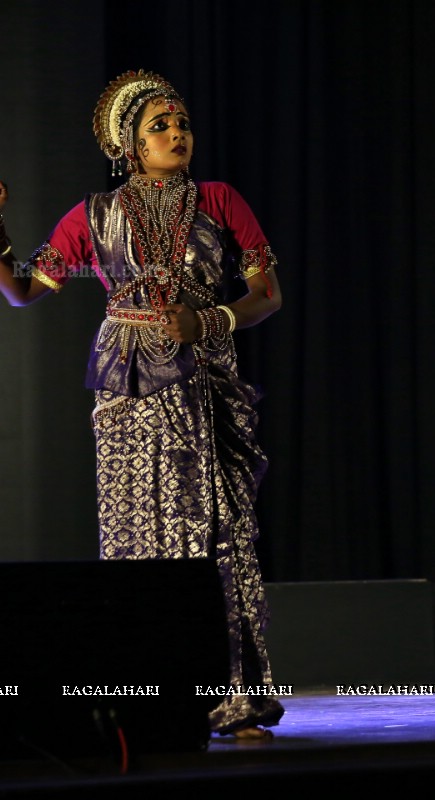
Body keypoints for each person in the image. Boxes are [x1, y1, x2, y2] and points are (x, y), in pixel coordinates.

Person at [0, 70, 284, 738]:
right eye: (161, 125)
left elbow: (266, 293)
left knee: (213, 533)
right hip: (126, 390)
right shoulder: (93, 216)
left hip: (202, 383)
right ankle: (151, 699)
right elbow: (20, 291)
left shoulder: (218, 200)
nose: (177, 134)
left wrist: (209, 322)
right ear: (130, 142)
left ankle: (234, 698)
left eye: (182, 123)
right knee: (136, 539)